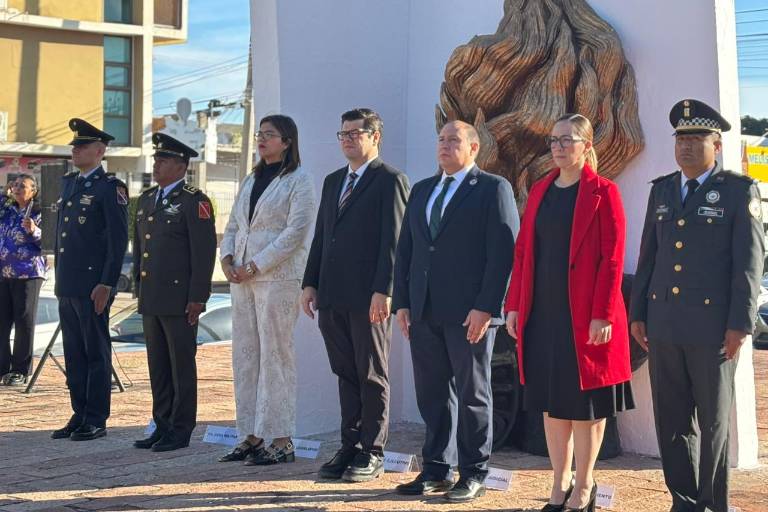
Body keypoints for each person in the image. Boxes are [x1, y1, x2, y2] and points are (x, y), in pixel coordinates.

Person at [629, 100, 764, 512]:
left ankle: (713, 502)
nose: (686, 146)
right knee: (672, 421)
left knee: (713, 422)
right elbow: (648, 255)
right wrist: (638, 313)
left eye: (696, 138)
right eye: (681, 138)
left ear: (717, 144)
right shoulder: (664, 189)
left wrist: (741, 323)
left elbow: (749, 261)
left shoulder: (739, 190)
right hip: (665, 324)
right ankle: (683, 500)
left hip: (713, 329)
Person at [504, 114, 634, 511]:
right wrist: (513, 304)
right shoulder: (541, 190)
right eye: (554, 140)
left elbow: (613, 258)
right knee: (550, 402)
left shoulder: (603, 192)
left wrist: (603, 315)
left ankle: (585, 484)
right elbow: (523, 251)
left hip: (586, 316)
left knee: (585, 405)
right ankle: (558, 484)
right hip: (542, 313)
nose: (558, 147)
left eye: (567, 140)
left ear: (587, 145)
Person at [392, 120, 518, 502]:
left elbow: (502, 255)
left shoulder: (493, 188)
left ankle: (474, 471)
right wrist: (403, 303)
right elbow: (408, 251)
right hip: (425, 310)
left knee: (473, 393)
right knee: (432, 394)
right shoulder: (423, 189)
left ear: (474, 147)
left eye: (454, 140)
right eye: (441, 139)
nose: (445, 146)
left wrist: (486, 307)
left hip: (469, 313)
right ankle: (436, 469)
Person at [301, 108, 410, 482]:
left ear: (374, 137)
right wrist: (310, 282)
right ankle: (349, 445)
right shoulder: (334, 181)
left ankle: (372, 450)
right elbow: (322, 235)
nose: (347, 139)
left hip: (369, 298)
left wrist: (385, 290)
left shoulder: (390, 180)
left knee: (371, 374)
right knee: (345, 372)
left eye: (355, 133)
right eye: (342, 133)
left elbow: (394, 242)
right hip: (332, 295)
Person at [218, 115, 315, 464]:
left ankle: (281, 438)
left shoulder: (299, 181)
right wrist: (227, 259)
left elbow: (295, 233)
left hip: (276, 278)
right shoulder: (252, 177)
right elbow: (233, 224)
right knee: (245, 356)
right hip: (242, 279)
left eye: (269, 135)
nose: (261, 139)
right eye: (260, 134)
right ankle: (251, 434)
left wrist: (255, 264)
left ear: (287, 141)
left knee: (276, 356)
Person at [131, 133, 217, 452]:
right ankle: (162, 424)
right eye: (156, 159)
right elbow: (141, 249)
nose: (157, 165)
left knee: (181, 367)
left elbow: (203, 253)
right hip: (152, 298)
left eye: (163, 160)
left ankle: (181, 429)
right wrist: (138, 290)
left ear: (181, 166)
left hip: (180, 300)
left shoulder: (195, 201)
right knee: (158, 366)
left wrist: (198, 297)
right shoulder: (148, 199)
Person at [51, 118, 128, 441]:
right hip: (67, 282)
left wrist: (107, 282)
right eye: (74, 146)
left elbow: (117, 239)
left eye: (81, 146)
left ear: (99, 151)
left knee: (95, 351)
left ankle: (96, 417)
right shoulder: (69, 183)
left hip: (92, 284)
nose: (75, 150)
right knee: (73, 352)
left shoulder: (109, 188)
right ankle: (79, 412)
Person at [0, 175, 46, 386]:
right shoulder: (7, 209)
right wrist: (5, 193)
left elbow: (50, 240)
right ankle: (2, 367)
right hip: (4, 272)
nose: (17, 188)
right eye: (15, 185)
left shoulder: (39, 212)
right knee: (2, 322)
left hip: (28, 273)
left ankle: (20, 370)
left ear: (33, 191)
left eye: (23, 186)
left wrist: (33, 230)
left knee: (23, 322)